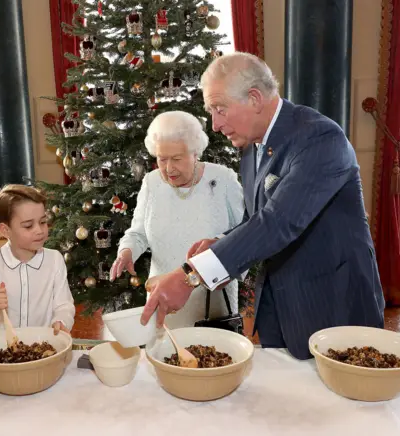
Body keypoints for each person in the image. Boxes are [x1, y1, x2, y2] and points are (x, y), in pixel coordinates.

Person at [141, 52, 385, 360]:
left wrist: (191, 275)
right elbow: (256, 219)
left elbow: (277, 223)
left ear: (255, 98)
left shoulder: (320, 138)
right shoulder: (251, 147)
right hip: (279, 307)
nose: (215, 124)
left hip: (333, 304)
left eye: (219, 109)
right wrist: (223, 242)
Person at [110, 111, 244, 329]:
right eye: (162, 159)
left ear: (195, 153)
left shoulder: (223, 179)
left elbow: (244, 235)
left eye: (177, 159)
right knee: (164, 357)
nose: (169, 168)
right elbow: (138, 233)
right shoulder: (151, 183)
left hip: (212, 302)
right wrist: (127, 251)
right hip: (162, 298)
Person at [0, 184, 75, 335]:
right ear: (5, 230)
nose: (39, 230)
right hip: (3, 352)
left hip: (43, 348)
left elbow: (64, 305)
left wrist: (61, 321)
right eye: (28, 226)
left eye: (43, 222)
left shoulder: (54, 260)